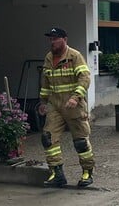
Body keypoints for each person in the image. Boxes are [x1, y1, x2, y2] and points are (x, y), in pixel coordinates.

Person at [37, 27, 94, 188]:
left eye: (55, 38)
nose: (52, 42)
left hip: (73, 106)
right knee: (48, 138)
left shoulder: (74, 56)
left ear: (64, 39)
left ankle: (87, 172)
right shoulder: (48, 58)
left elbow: (84, 78)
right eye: (51, 39)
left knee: (81, 142)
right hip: (55, 106)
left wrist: (76, 97)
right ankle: (57, 174)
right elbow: (45, 83)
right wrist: (43, 102)